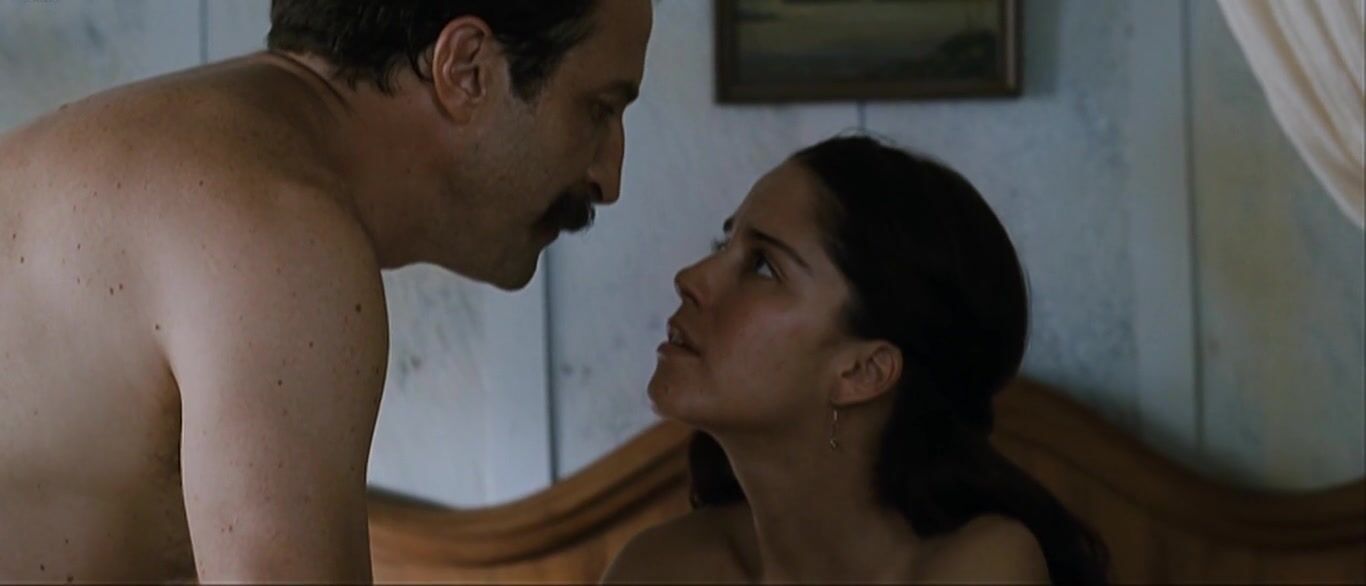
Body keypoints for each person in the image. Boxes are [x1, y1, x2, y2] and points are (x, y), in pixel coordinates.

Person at [0, 0, 651, 582]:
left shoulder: (148, 154)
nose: (610, 177)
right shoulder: (275, 233)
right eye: (599, 109)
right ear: (468, 70)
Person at [603, 136, 1109, 584]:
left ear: (862, 371)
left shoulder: (983, 565)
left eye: (763, 266)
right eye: (723, 243)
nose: (691, 277)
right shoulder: (657, 566)